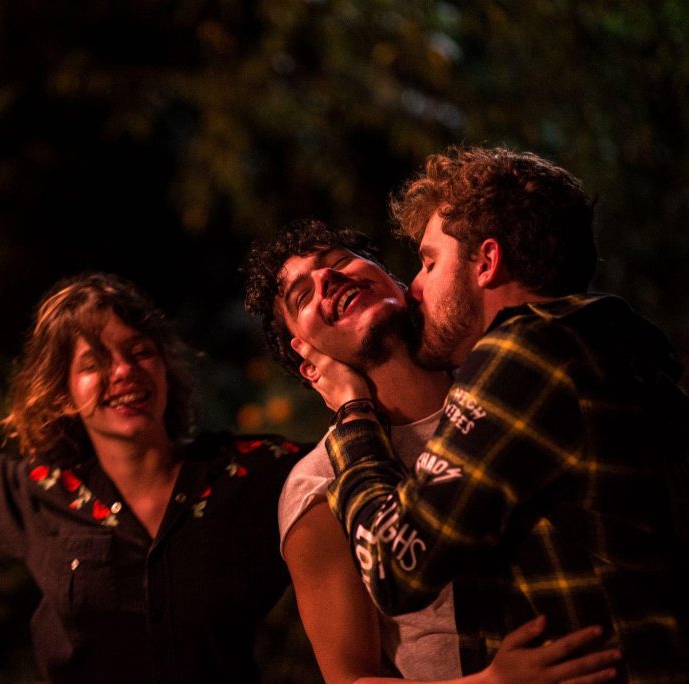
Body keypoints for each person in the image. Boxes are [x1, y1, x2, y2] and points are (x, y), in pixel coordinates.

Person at [290, 148, 689, 681]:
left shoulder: (523, 355)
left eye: (430, 262)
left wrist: (354, 417)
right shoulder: (593, 342)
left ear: (486, 261)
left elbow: (395, 569)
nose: (417, 285)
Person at [0, 273, 303, 684]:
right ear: (64, 394)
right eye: (95, 362)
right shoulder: (42, 495)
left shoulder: (247, 472)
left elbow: (342, 467)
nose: (124, 371)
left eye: (139, 351)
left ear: (166, 369)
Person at [244, 219, 623, 683]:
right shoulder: (318, 484)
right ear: (307, 359)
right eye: (302, 296)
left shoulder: (513, 388)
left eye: (338, 262)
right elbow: (349, 680)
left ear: (399, 283)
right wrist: (493, 683)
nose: (327, 279)